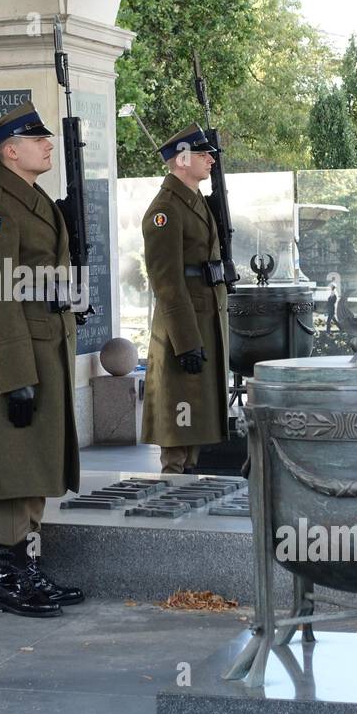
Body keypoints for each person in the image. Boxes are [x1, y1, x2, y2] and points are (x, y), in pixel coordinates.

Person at [0, 101, 84, 618]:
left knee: (34, 464)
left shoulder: (33, 199)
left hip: (46, 346)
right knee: (16, 469)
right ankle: (11, 580)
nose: (48, 145)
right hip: (20, 356)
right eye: (38, 141)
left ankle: (30, 568)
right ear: (11, 151)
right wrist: (14, 378)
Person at [139, 124, 230, 475]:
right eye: (203, 153)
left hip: (203, 317)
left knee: (195, 415)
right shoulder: (165, 209)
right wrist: (186, 341)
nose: (210, 158)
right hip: (183, 325)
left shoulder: (195, 202)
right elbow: (167, 282)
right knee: (180, 420)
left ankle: (187, 482)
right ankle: (172, 489)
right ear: (181, 160)